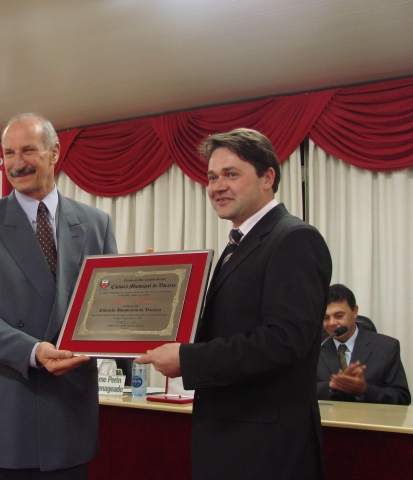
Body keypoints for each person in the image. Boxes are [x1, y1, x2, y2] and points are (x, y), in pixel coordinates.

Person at [136, 128, 332, 480]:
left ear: (267, 177)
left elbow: (284, 341)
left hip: (267, 449)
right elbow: (225, 325)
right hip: (231, 439)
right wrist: (154, 293)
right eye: (212, 177)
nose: (217, 187)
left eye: (231, 174)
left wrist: (188, 359)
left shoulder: (294, 238)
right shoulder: (237, 244)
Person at [0, 113, 118, 479]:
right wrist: (34, 351)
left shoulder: (97, 223)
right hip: (6, 417)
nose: (17, 164)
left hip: (69, 414)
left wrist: (140, 291)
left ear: (54, 152)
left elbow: (106, 307)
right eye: (8, 153)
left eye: (28, 150)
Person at [317, 284, 411, 405]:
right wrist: (330, 386)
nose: (332, 323)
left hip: (370, 416)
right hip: (327, 416)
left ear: (355, 311)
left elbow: (402, 398)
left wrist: (365, 390)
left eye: (338, 316)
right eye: (326, 317)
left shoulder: (386, 347)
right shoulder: (313, 348)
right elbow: (298, 391)